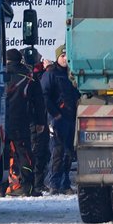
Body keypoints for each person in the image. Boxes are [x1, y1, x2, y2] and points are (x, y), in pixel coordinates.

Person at [2, 50, 45, 196]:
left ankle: (0, 188)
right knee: (25, 155)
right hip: (20, 122)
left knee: (1, 155)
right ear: (20, 59)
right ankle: (28, 188)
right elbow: (39, 101)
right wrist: (40, 122)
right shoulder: (29, 76)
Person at [39, 46, 78, 193]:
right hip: (57, 119)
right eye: (63, 55)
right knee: (57, 151)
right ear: (57, 57)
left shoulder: (71, 75)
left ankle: (65, 183)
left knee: (68, 152)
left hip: (70, 117)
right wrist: (55, 114)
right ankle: (53, 182)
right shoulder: (51, 74)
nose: (65, 58)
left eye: (67, 55)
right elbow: (44, 96)